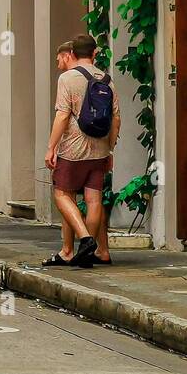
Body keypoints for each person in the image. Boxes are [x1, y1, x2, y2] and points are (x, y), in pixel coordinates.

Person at [44, 34, 119, 268]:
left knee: (62, 194)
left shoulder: (68, 78)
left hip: (74, 148)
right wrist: (110, 149)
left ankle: (86, 240)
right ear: (95, 53)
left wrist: (51, 147)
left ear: (73, 54)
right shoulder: (107, 80)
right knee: (94, 198)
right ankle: (89, 251)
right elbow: (116, 119)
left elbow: (62, 115)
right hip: (100, 148)